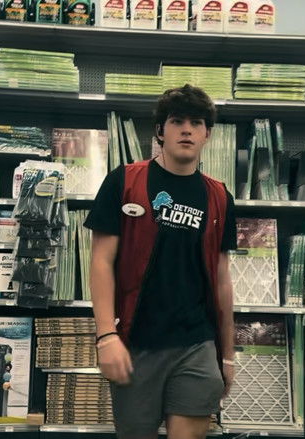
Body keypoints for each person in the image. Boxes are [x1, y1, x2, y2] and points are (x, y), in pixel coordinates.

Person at [84, 84, 237, 439]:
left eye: (196, 123)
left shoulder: (219, 196)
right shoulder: (124, 181)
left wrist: (227, 355)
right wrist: (106, 336)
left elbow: (222, 279)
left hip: (197, 344)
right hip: (136, 343)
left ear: (207, 134)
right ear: (160, 131)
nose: (187, 130)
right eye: (177, 121)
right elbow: (101, 262)